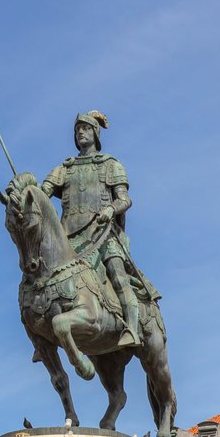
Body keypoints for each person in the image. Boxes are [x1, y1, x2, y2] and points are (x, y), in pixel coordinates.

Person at [41, 110, 161, 350]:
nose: (80, 133)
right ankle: (40, 334)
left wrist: (111, 209)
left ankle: (132, 328)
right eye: (77, 130)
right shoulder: (65, 168)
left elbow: (125, 199)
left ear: (95, 133)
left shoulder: (110, 164)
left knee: (117, 272)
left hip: (102, 235)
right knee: (43, 273)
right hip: (70, 238)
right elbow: (42, 194)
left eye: (85, 129)